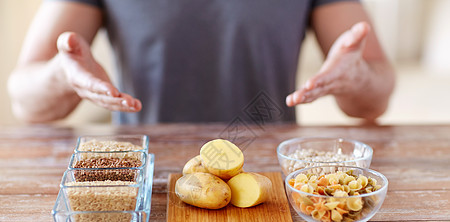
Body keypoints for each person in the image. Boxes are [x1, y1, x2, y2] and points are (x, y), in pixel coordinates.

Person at [8, 0, 395, 125]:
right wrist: (62, 75)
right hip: (144, 187)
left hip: (270, 187)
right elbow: (24, 100)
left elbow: (375, 96)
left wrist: (356, 76)